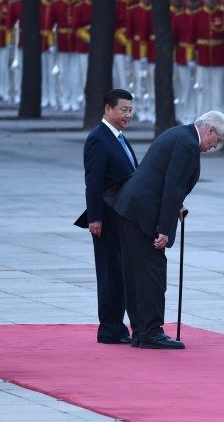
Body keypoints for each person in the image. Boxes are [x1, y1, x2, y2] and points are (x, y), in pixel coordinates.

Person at [113, 111, 224, 349]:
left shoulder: (178, 134)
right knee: (152, 273)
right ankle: (151, 332)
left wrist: (177, 206)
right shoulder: (187, 144)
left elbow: (162, 178)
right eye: (215, 141)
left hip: (131, 208)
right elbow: (173, 186)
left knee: (136, 272)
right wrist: (164, 229)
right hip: (143, 213)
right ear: (209, 131)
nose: (213, 146)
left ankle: (140, 330)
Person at [75, 89, 138, 344]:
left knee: (120, 273)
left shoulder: (119, 138)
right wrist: (95, 218)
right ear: (107, 109)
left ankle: (116, 326)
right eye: (123, 110)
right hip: (107, 219)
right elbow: (93, 182)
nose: (128, 115)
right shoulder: (98, 139)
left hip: (122, 216)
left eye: (130, 110)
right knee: (110, 274)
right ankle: (110, 329)